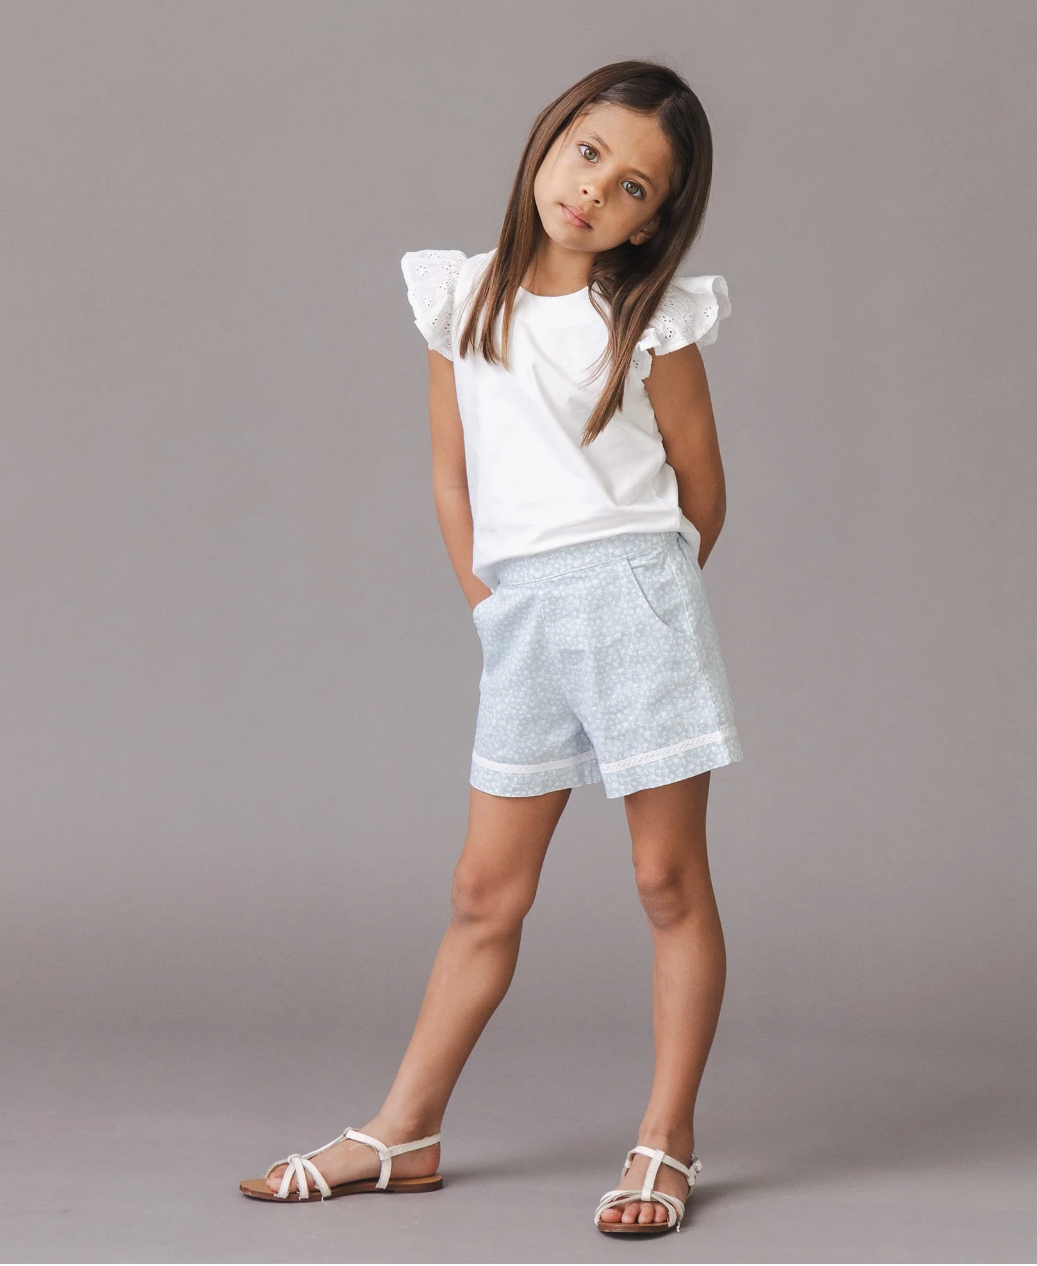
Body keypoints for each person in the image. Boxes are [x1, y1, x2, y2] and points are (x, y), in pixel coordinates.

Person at [239, 57, 743, 1236]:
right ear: (549, 138)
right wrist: (492, 606)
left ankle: (666, 1141)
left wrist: (646, 607)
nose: (595, 190)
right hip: (521, 617)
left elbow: (704, 492)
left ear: (652, 221)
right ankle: (404, 1130)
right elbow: (452, 477)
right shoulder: (459, 297)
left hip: (634, 599)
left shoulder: (649, 320)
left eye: (634, 188)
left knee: (666, 881)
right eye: (588, 153)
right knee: (483, 890)